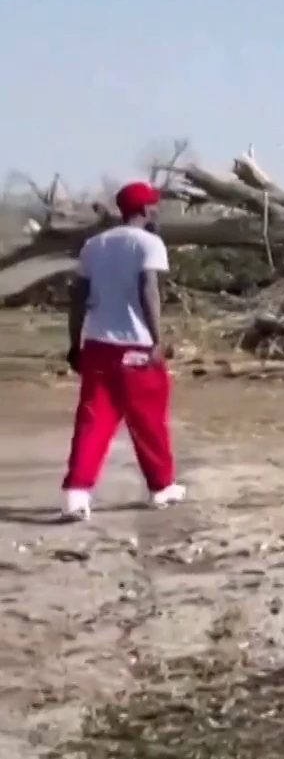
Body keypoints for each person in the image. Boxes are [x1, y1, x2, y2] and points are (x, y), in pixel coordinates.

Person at [60, 181, 185, 522]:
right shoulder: (149, 243)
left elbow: (78, 299)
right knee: (148, 421)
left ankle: (76, 493)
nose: (157, 211)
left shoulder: (93, 245)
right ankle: (161, 487)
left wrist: (75, 343)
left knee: (92, 422)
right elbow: (149, 292)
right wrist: (157, 341)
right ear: (145, 209)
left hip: (98, 345)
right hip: (136, 347)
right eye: (155, 206)